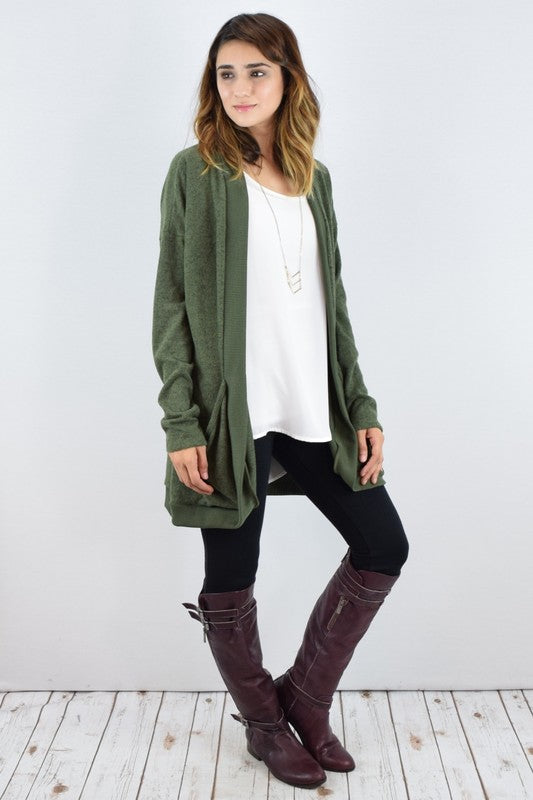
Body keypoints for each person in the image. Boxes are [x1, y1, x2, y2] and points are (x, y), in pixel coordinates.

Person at [152, 12, 409, 791]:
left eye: (256, 71)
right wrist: (181, 421)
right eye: (225, 73)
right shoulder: (195, 173)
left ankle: (304, 698)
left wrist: (360, 408)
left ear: (287, 77)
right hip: (231, 419)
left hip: (310, 409)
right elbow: (171, 304)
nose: (239, 88)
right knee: (232, 576)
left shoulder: (313, 179)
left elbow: (333, 306)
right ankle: (264, 727)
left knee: (382, 544)